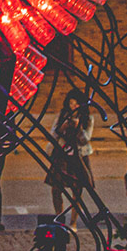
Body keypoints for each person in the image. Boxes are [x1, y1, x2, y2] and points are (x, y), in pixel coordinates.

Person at [45, 90, 96, 224]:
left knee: (77, 190)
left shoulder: (87, 119)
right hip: (62, 155)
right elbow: (53, 134)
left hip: (78, 156)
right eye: (71, 103)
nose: (73, 106)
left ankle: (73, 222)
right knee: (56, 188)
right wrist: (63, 127)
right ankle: (59, 217)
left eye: (76, 104)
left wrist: (78, 127)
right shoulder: (62, 115)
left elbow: (85, 139)